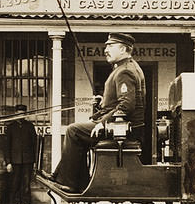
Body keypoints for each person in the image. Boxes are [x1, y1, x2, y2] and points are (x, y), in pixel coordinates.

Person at [49, 33, 145, 192]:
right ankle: (67, 179)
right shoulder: (125, 67)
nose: (105, 50)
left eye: (110, 46)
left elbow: (127, 105)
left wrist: (102, 123)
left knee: (74, 131)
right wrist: (103, 102)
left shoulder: (124, 71)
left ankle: (70, 182)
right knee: (78, 132)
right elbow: (120, 102)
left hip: (123, 129)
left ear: (122, 49)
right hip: (121, 126)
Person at [3, 104, 37, 204]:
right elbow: (6, 146)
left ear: (25, 114)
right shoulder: (11, 127)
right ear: (15, 114)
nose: (20, 115)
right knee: (14, 183)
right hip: (15, 161)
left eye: (22, 114)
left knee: (26, 184)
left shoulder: (30, 126)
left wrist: (35, 161)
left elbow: (34, 144)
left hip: (28, 160)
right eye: (18, 113)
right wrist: (8, 162)